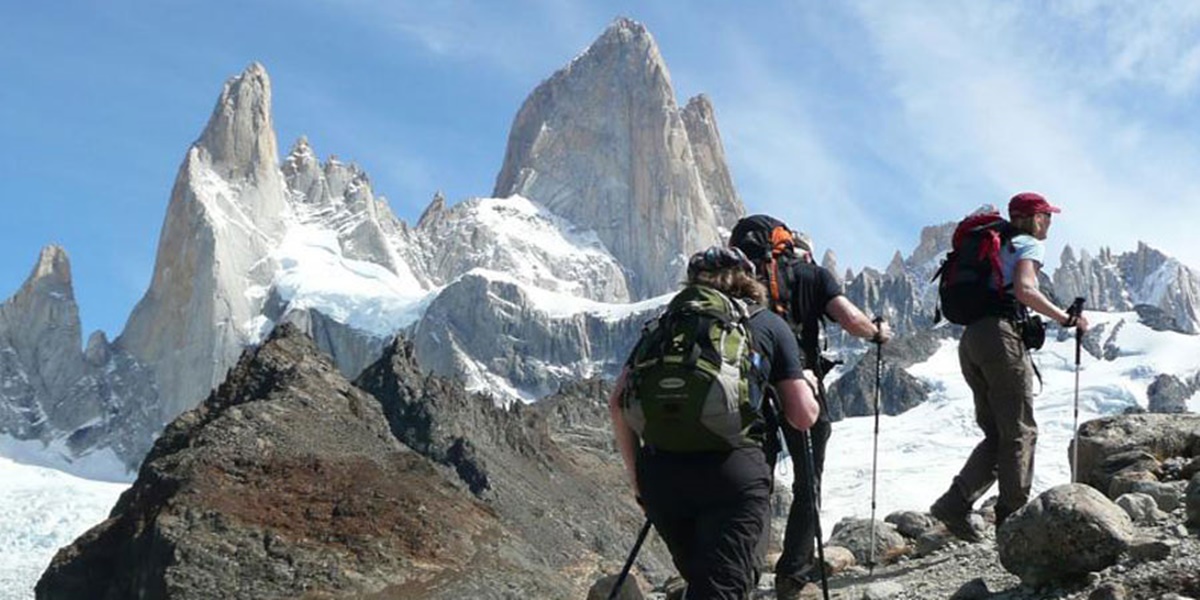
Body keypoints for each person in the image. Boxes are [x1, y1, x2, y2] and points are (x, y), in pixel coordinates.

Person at [608, 246, 822, 600]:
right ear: (749, 280)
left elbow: (618, 404)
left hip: (660, 476)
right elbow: (801, 417)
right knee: (722, 587)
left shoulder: (665, 324)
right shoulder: (767, 323)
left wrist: (638, 481)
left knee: (703, 579)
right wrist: (809, 386)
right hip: (731, 474)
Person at [728, 217, 891, 600]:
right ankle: (794, 575)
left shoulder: (734, 282)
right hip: (802, 385)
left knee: (755, 484)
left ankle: (744, 575)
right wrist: (878, 333)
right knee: (807, 481)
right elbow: (850, 319)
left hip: (747, 390)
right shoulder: (812, 275)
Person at [929, 192, 1090, 541]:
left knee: (998, 433)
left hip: (972, 339)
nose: (1049, 222)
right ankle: (1014, 522)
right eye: (1046, 215)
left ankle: (954, 503)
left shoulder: (994, 245)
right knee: (1020, 431)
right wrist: (1065, 318)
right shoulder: (1027, 244)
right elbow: (1025, 289)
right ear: (1032, 218)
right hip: (1000, 339)